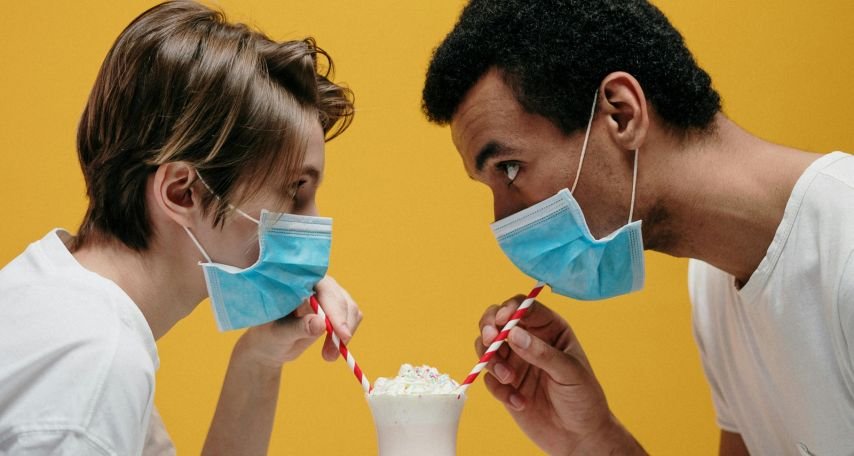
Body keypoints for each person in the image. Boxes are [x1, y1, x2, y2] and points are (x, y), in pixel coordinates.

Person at [422, 0, 854, 455]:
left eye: (509, 169)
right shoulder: (714, 281)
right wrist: (593, 440)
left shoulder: (845, 249)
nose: (503, 221)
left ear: (621, 114)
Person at [0, 2, 362, 455]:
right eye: (294, 189)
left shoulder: (57, 304)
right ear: (181, 193)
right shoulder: (93, 376)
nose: (312, 222)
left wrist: (260, 359)